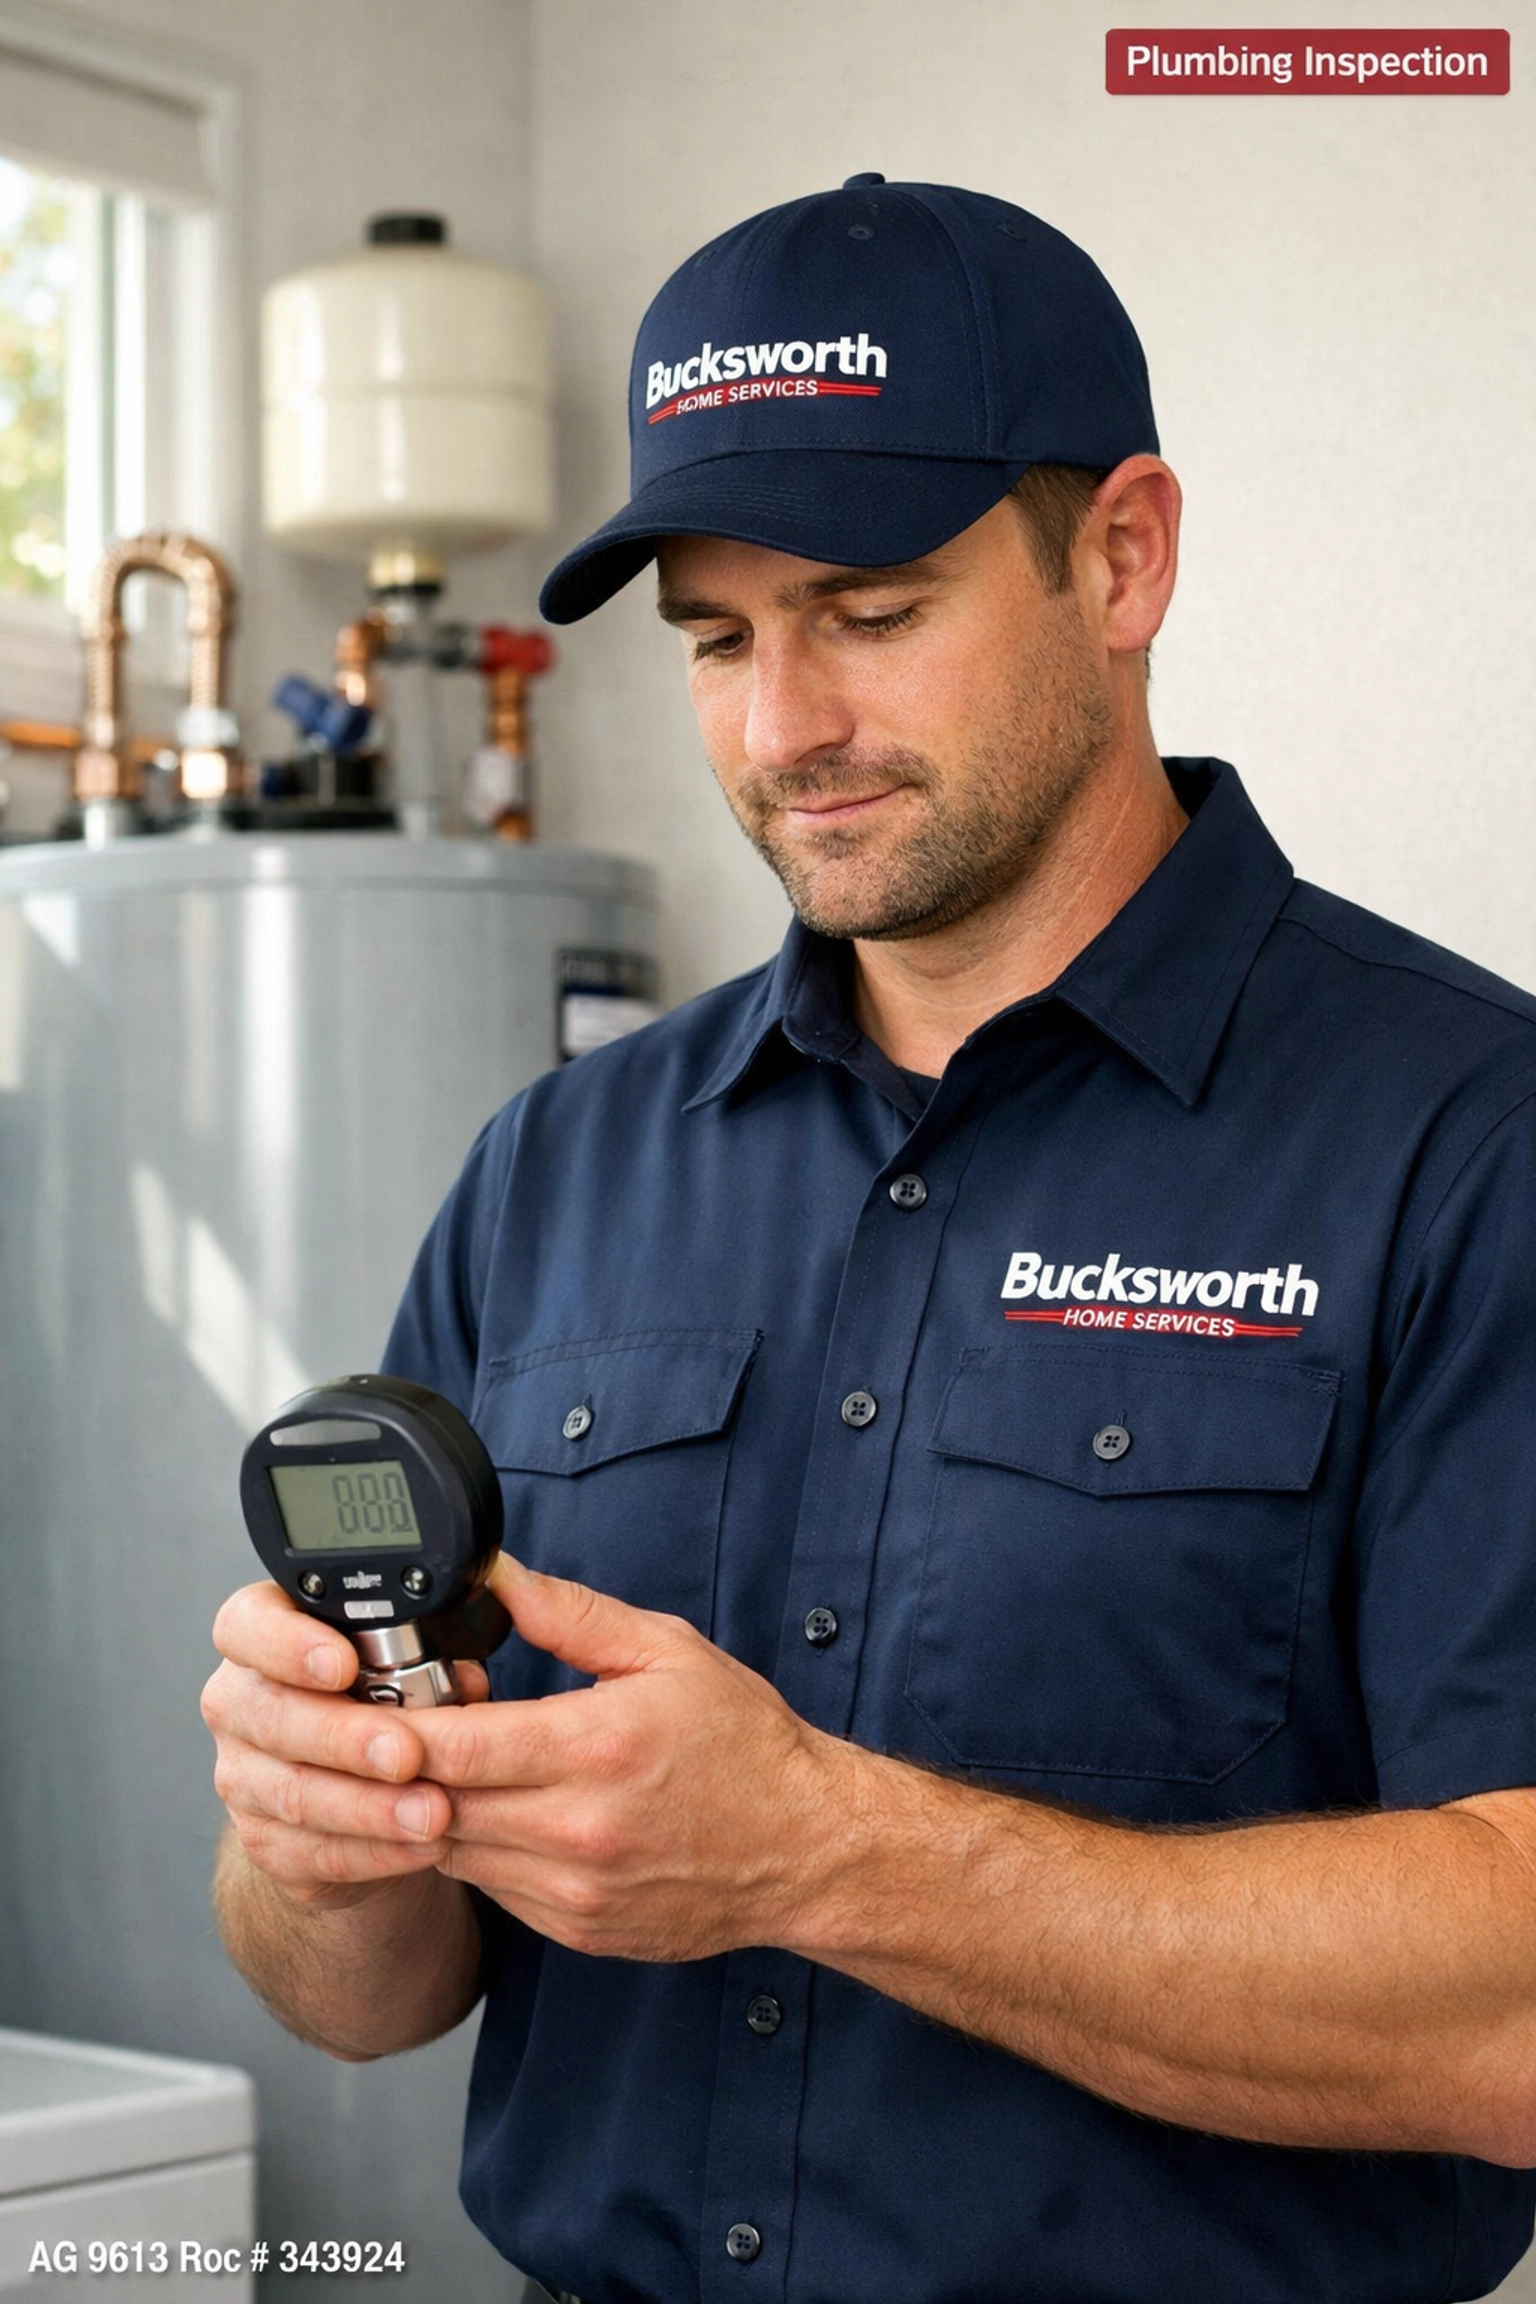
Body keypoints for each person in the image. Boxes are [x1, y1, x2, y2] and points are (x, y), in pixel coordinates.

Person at [203, 175, 1536, 2304]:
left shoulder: (1471, 1142)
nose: (777, 729)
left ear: (1122, 555)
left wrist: (828, 1852)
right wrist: (313, 1837)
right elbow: (359, 1995)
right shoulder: (555, 1165)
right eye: (720, 640)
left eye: (873, 609)